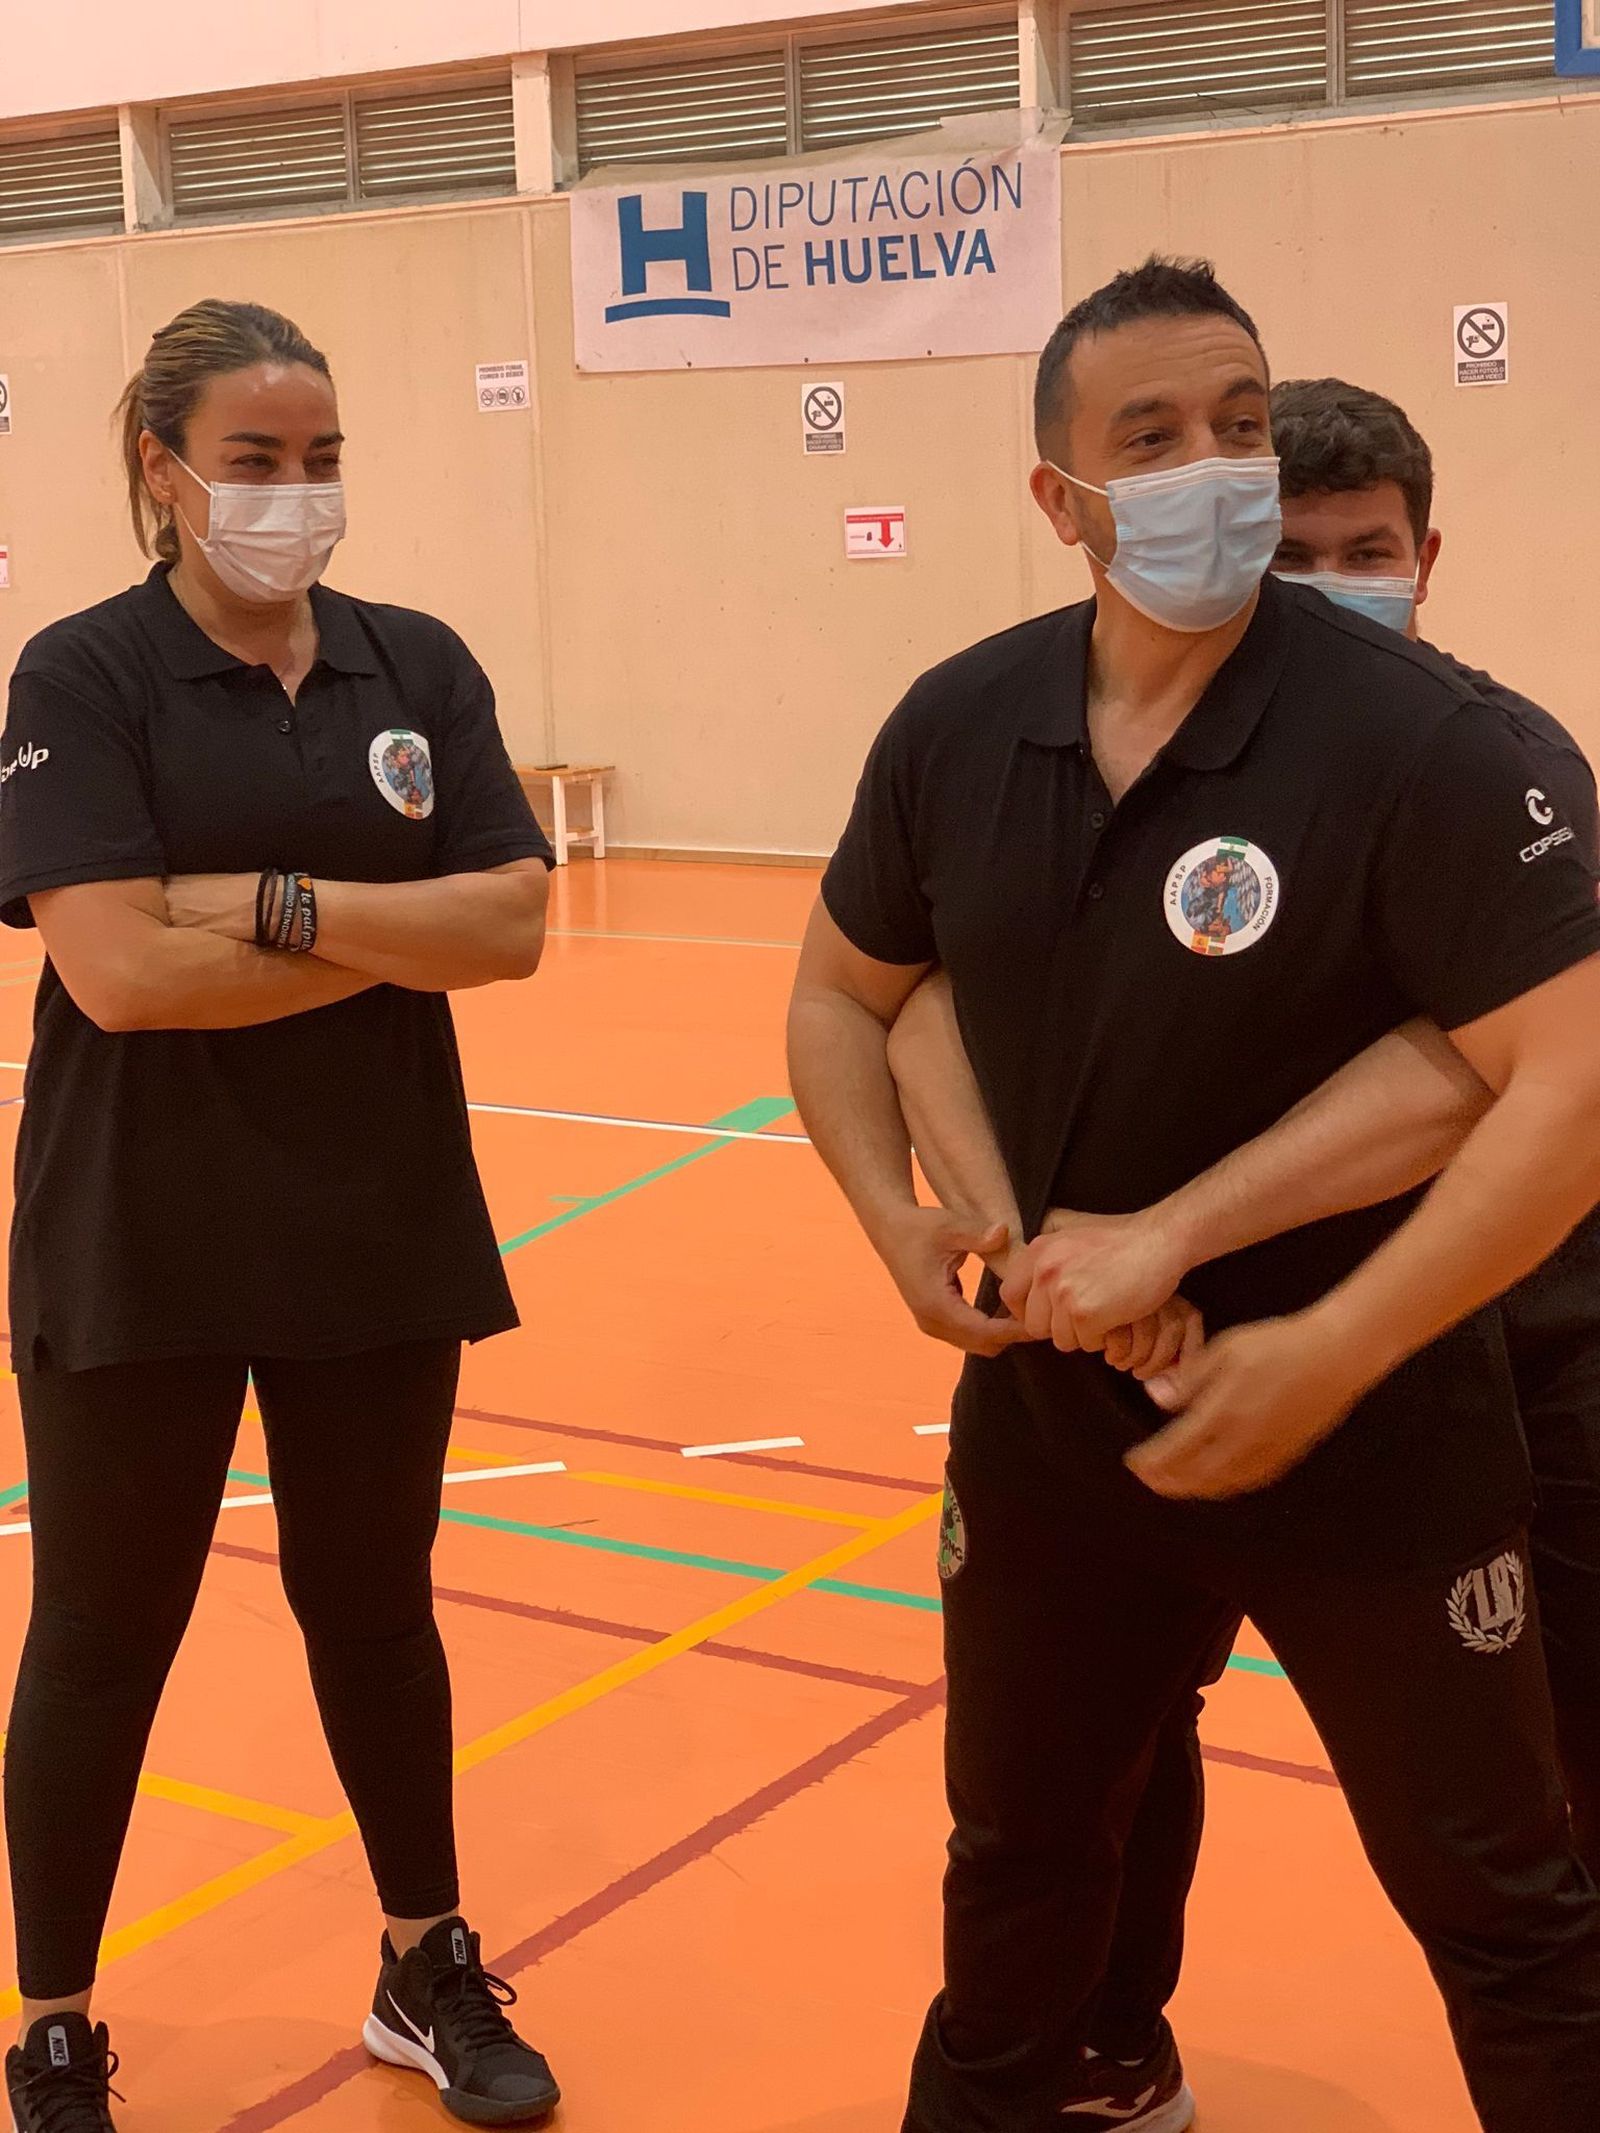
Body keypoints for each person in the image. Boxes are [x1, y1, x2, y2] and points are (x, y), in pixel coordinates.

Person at [785, 258, 1600, 2133]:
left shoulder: (1423, 739)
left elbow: (1548, 1074)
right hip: (1065, 1444)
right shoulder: (961, 723)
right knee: (1019, 1871)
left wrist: (1318, 1341)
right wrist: (933, 1226)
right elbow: (853, 990)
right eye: (1153, 437)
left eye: (1238, 422)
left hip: (1383, 1443)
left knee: (1506, 1913)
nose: (1216, 469)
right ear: (1059, 496)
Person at [0, 300, 563, 2133]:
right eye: (256, 460)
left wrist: (262, 899)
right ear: (163, 470)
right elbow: (117, 976)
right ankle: (59, 2024)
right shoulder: (80, 676)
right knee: (102, 1629)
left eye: (321, 458)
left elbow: (513, 925)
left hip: (374, 1223)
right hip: (138, 1231)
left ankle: (424, 1962)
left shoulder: (419, 666)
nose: (297, 494)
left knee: (374, 1609)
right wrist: (385, 937)